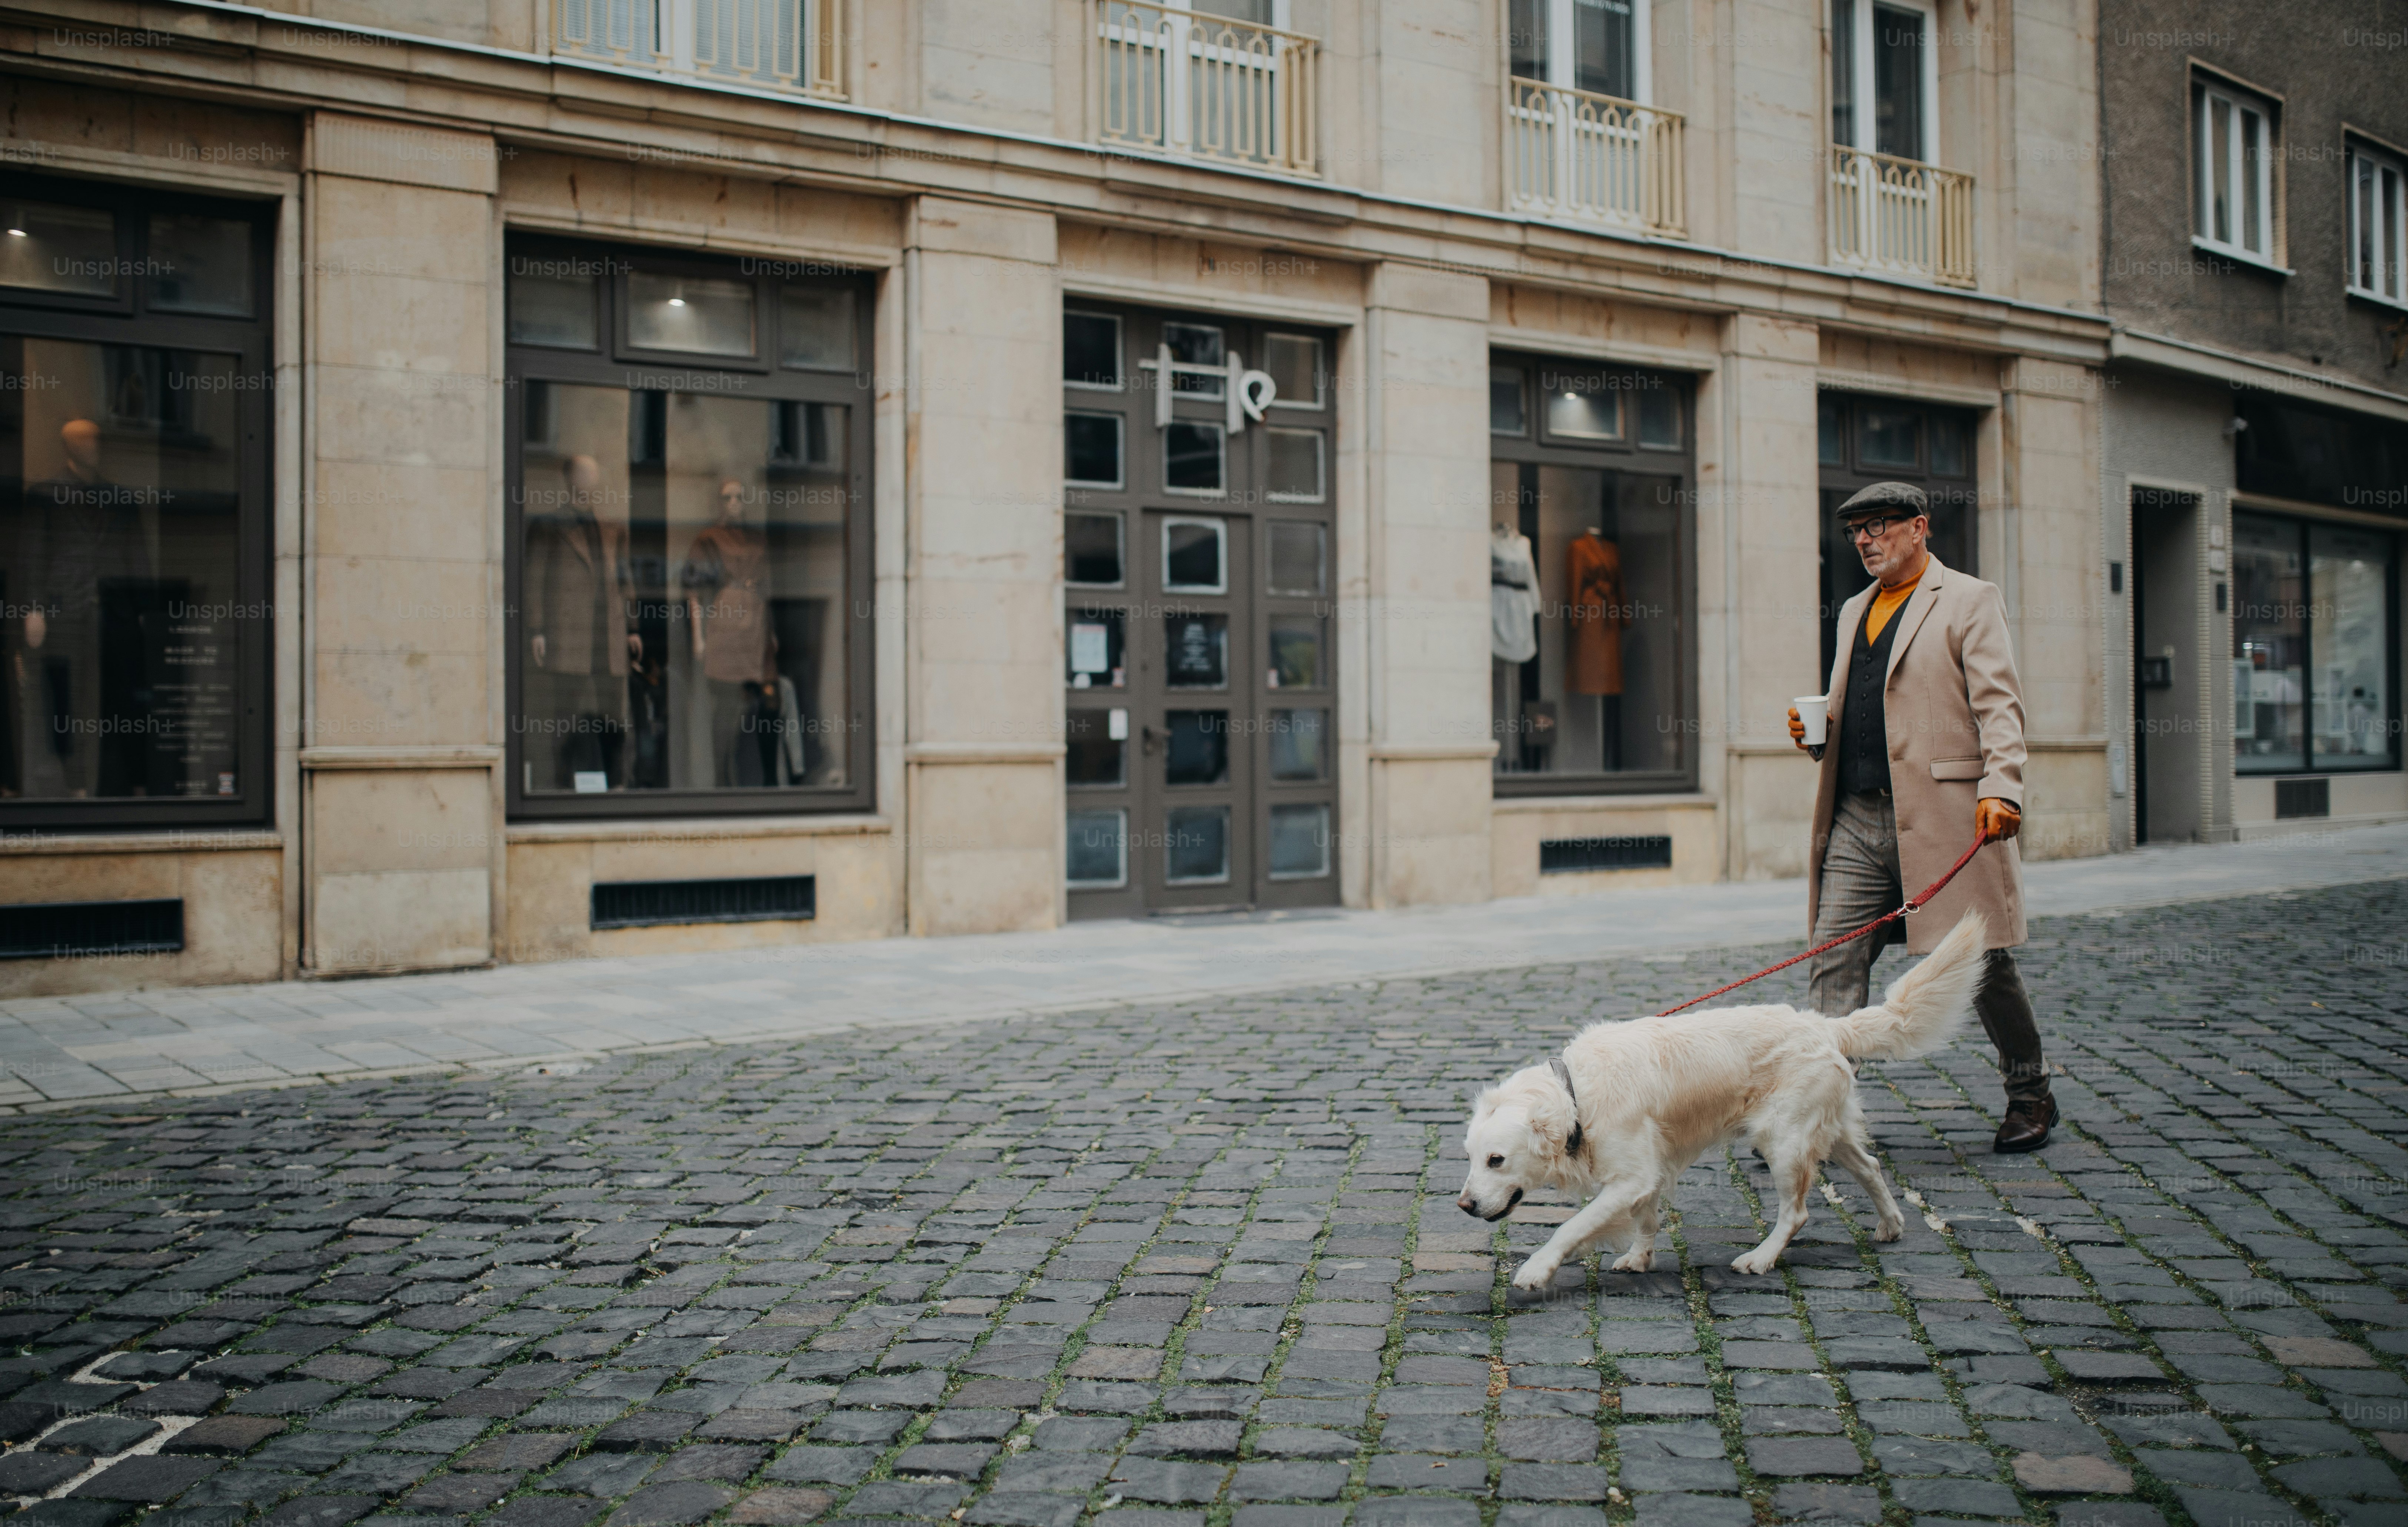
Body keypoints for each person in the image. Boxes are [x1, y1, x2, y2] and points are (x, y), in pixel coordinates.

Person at [1787, 481, 2055, 1152]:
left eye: (1879, 525)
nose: (1865, 540)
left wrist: (2005, 787)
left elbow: (2000, 707)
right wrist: (1817, 733)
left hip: (1948, 816)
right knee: (1833, 956)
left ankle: (2031, 1093)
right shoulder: (1854, 610)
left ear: (1919, 528)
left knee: (1983, 963)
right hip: (1857, 816)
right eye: (1855, 531)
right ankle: (1818, 1122)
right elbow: (1873, 708)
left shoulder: (1970, 599)